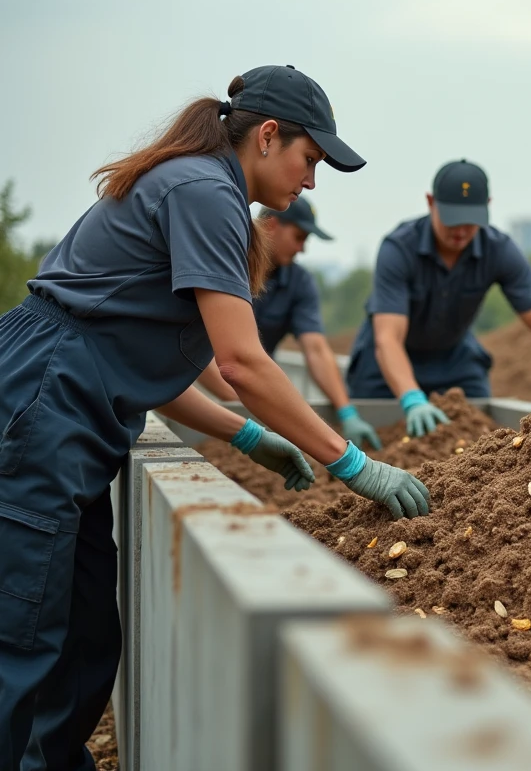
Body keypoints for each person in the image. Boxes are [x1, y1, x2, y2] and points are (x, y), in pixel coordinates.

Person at [0, 65, 430, 770]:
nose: (311, 182)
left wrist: (248, 436)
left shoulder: (200, 186)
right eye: (310, 159)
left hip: (67, 397)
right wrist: (349, 462)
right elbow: (243, 363)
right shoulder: (205, 192)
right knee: (21, 634)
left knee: (82, 633)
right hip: (44, 400)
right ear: (268, 136)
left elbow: (142, 370)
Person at [345, 159, 531, 436]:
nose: (461, 231)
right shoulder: (399, 248)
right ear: (430, 202)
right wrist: (412, 399)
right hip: (385, 366)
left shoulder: (499, 250)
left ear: (487, 205)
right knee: (382, 439)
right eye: (452, 220)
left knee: (481, 441)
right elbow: (387, 338)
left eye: (470, 221)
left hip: (455, 362)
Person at [195, 196, 382, 449]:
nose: (302, 249)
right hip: (203, 394)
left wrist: (346, 411)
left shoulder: (299, 283)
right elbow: (202, 355)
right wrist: (254, 408)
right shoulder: (226, 262)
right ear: (272, 225)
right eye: (299, 237)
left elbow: (315, 349)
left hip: (253, 394)